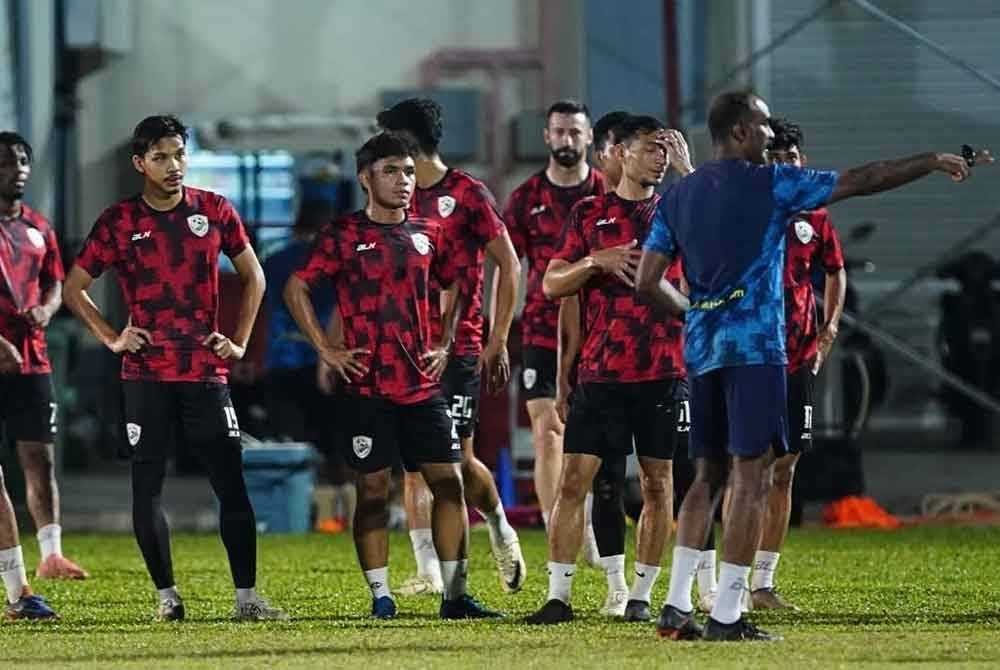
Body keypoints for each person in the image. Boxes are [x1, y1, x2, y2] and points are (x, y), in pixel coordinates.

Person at [637, 91, 981, 642]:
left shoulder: (679, 197)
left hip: (701, 352)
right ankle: (726, 613)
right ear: (742, 132)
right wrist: (931, 160)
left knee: (705, 477)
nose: (773, 135)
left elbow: (646, 281)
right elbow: (867, 178)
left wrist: (695, 312)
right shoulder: (773, 185)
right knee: (751, 475)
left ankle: (676, 606)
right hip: (756, 353)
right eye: (765, 125)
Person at [63, 115, 285, 622]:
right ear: (140, 163)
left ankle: (247, 599)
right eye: (161, 157)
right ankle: (168, 599)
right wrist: (113, 337)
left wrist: (240, 341)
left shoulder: (214, 210)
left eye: (180, 154)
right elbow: (74, 287)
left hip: (206, 373)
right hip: (146, 377)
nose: (173, 166)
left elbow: (256, 277)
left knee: (231, 483)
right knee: (148, 486)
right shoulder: (119, 221)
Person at [284, 132, 501, 621]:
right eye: (391, 171)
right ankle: (382, 598)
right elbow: (296, 288)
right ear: (366, 178)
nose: (404, 181)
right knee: (374, 492)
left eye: (408, 172)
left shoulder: (429, 232)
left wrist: (445, 342)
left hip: (423, 389)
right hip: (366, 388)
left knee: (449, 485)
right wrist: (327, 348)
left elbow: (460, 286)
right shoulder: (342, 235)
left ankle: (455, 596)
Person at [526, 116, 694, 625]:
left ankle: (640, 596)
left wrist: (689, 176)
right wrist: (596, 261)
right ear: (619, 152)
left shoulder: (680, 210)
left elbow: (723, 236)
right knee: (575, 481)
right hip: (601, 374)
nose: (659, 159)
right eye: (650, 149)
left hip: (664, 370)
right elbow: (554, 286)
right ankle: (558, 596)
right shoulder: (589, 214)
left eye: (666, 150)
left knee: (658, 483)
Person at [374, 98, 526, 596]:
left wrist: (498, 338)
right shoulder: (395, 196)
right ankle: (428, 570)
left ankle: (500, 525)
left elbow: (510, 264)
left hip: (459, 345)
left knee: (455, 457)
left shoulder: (467, 194)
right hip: (405, 350)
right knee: (413, 464)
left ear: (410, 141)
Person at [504, 100, 604, 561]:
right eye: (559, 132)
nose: (567, 140)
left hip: (600, 332)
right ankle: (555, 530)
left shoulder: (606, 193)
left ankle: (589, 525)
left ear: (589, 138)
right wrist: (498, 329)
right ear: (546, 137)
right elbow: (507, 267)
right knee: (547, 430)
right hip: (541, 331)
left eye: (575, 133)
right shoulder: (526, 199)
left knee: (594, 436)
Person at [0, 132, 88, 582]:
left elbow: (57, 281)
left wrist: (48, 308)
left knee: (39, 455)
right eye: (7, 163)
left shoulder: (38, 226)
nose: (17, 171)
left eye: (21, 162)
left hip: (32, 359)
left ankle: (52, 554)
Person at [260, 200, 353, 531]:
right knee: (336, 443)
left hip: (282, 362)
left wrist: (253, 359)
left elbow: (263, 312)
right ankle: (337, 512)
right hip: (327, 363)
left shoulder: (274, 262)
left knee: (294, 441)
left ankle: (300, 509)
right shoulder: (341, 261)